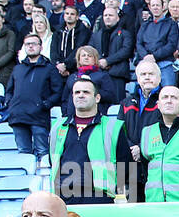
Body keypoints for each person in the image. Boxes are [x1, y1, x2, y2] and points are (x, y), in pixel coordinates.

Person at [51, 76, 132, 204]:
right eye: (77, 92)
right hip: (64, 197)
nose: (81, 95)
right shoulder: (57, 127)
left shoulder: (112, 127)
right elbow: (54, 161)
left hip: (99, 196)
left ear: (97, 98)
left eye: (86, 92)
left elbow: (125, 165)